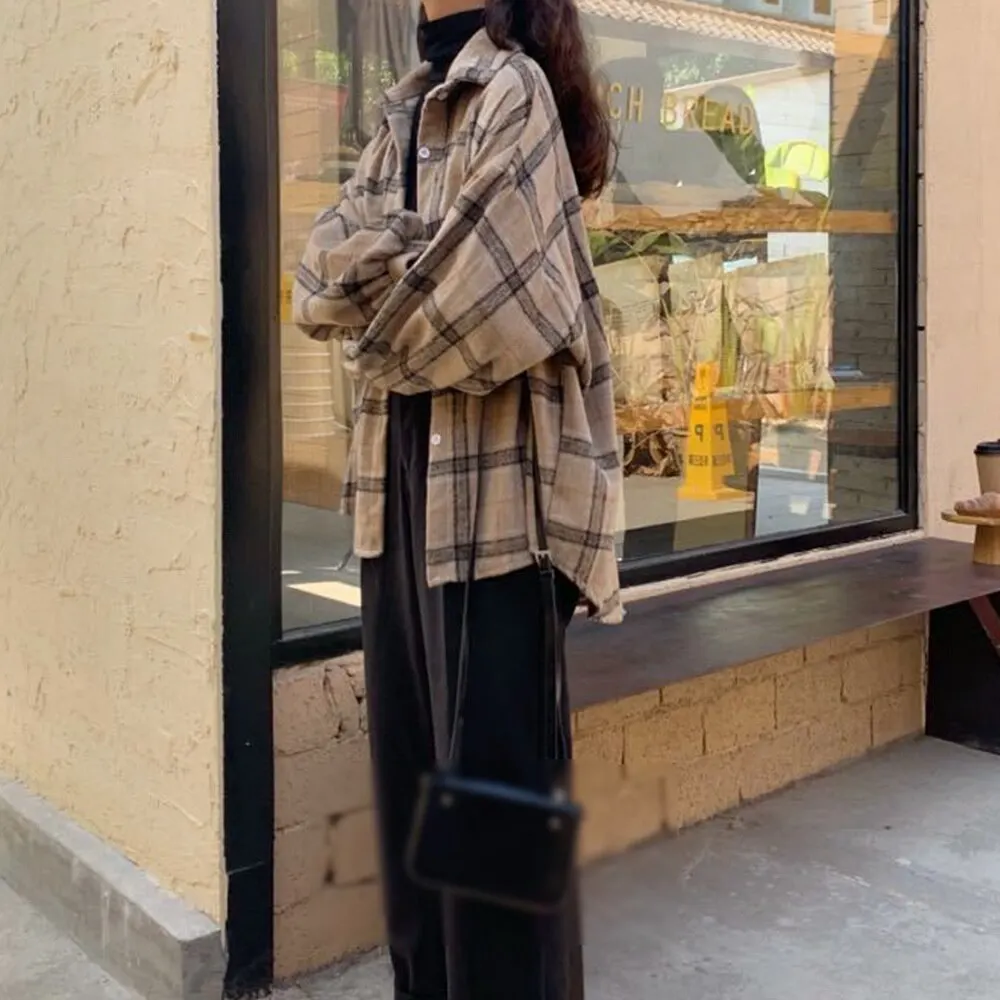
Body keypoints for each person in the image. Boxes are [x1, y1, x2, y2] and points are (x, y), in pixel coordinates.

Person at [293, 1, 622, 997]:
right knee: (411, 805)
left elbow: (488, 312)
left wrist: (379, 280)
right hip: (395, 488)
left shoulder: (511, 89)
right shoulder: (403, 107)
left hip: (500, 507)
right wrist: (418, 259)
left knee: (493, 832)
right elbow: (314, 277)